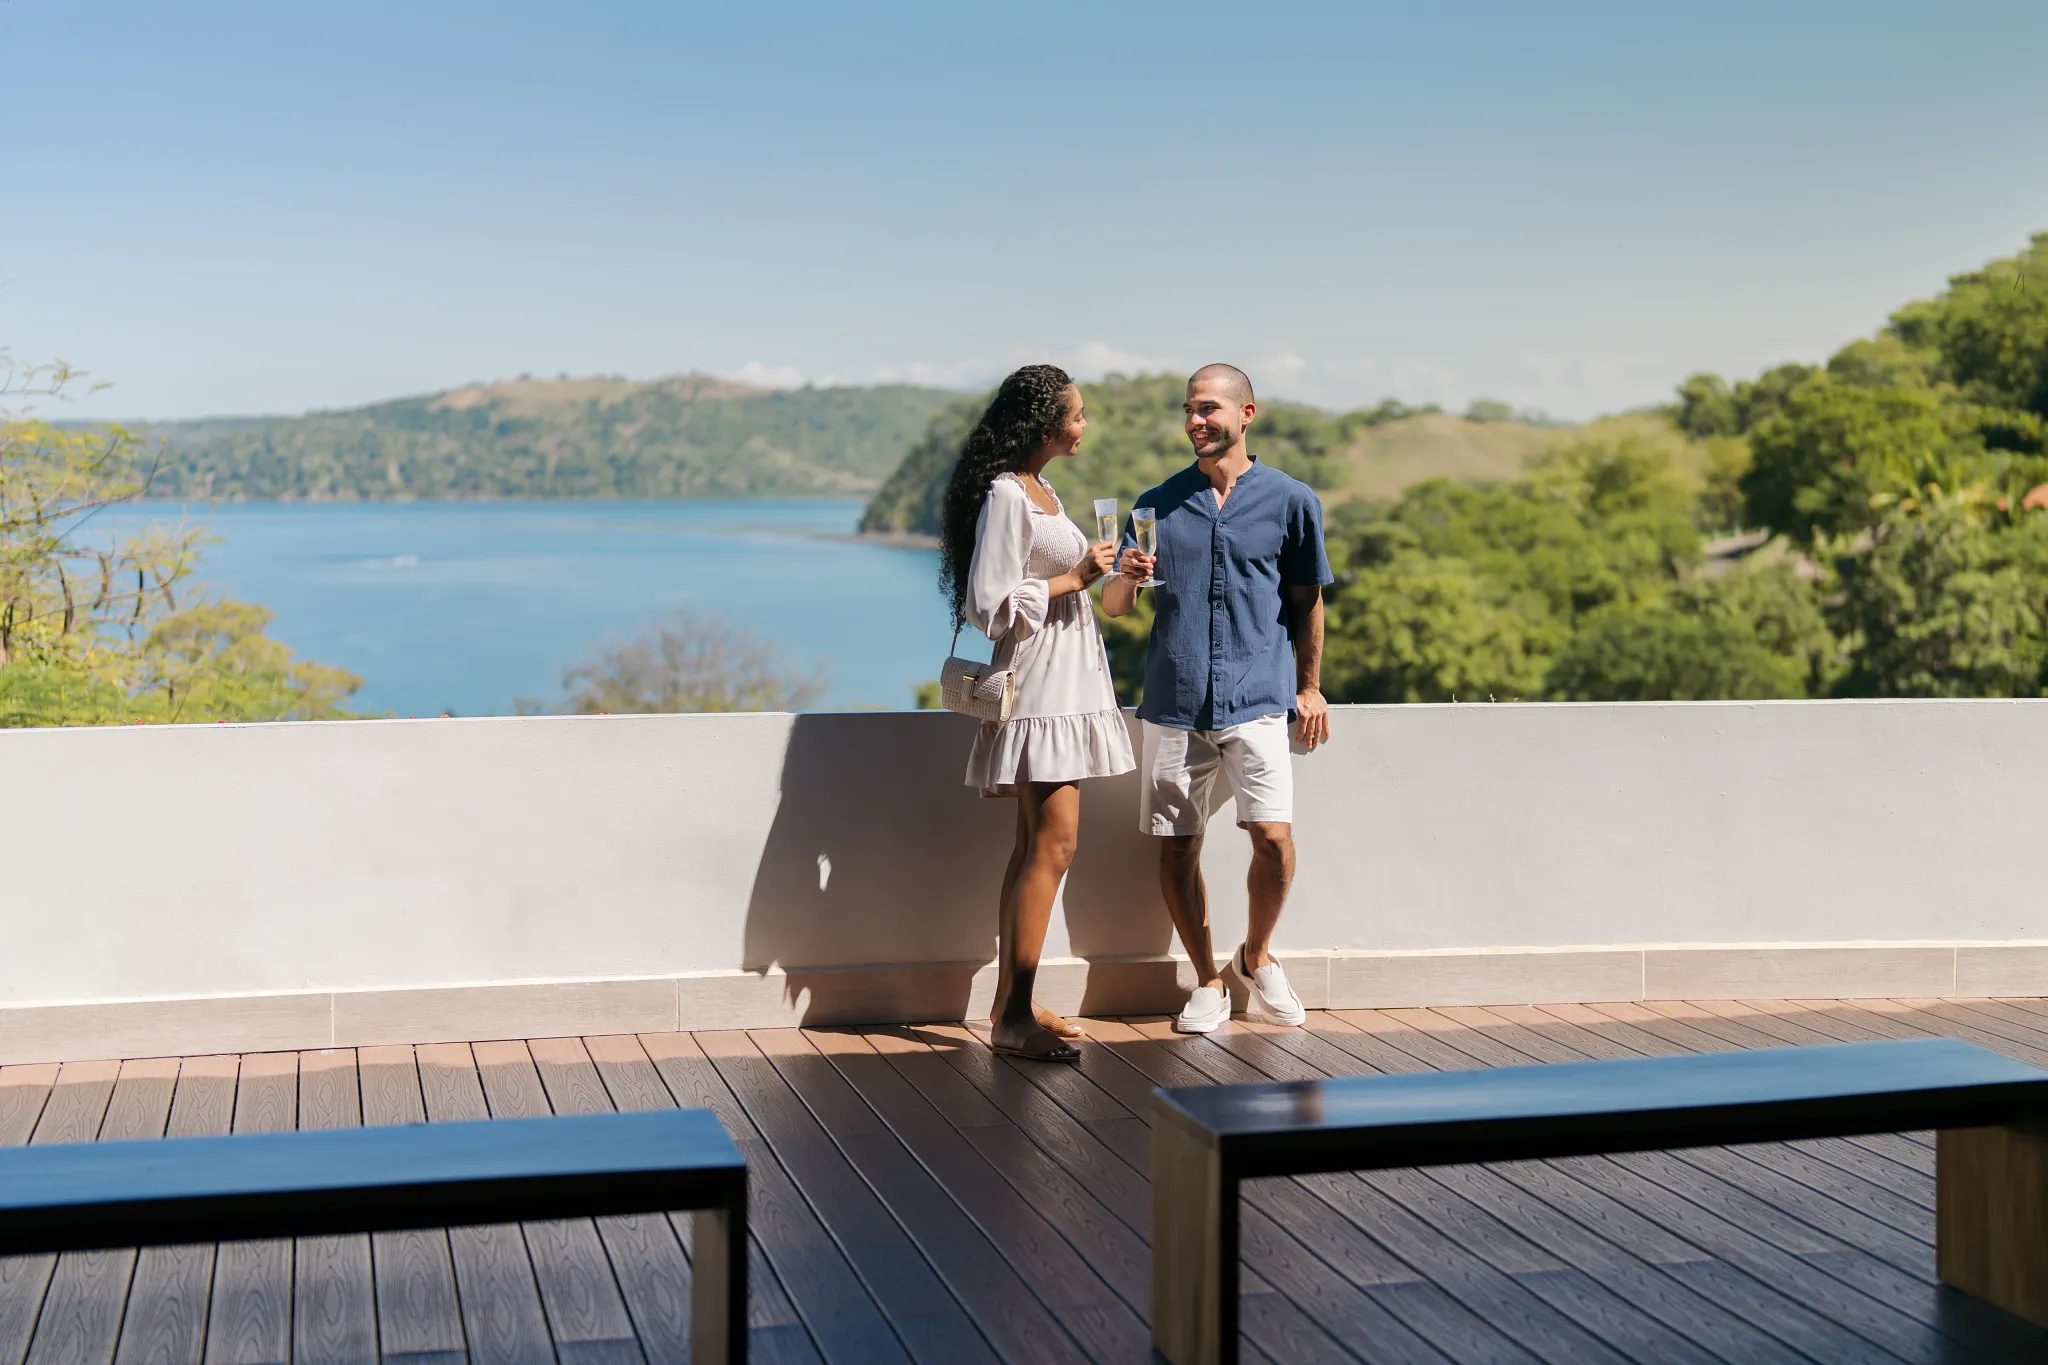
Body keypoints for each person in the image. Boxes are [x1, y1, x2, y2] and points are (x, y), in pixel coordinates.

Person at [1103, 363, 1333, 1033]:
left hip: (1260, 698)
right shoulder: (1156, 504)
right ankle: (1206, 979)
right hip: (1173, 703)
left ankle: (1256, 957)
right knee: (1177, 848)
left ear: (1246, 413)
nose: (1196, 421)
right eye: (1189, 410)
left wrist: (1310, 685)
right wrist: (1125, 575)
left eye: (1208, 408)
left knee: (1274, 840)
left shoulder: (1291, 500)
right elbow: (1116, 606)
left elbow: (1307, 601)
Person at [940, 364, 1135, 1063]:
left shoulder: (1040, 488)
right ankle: (1013, 1016)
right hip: (1043, 688)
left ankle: (1009, 1003)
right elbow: (987, 604)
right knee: (1054, 844)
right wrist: (1074, 577)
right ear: (1045, 426)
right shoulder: (1005, 494)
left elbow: (1056, 585)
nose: (1085, 426)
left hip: (1068, 682)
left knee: (1035, 847)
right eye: (1077, 415)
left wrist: (1109, 575)